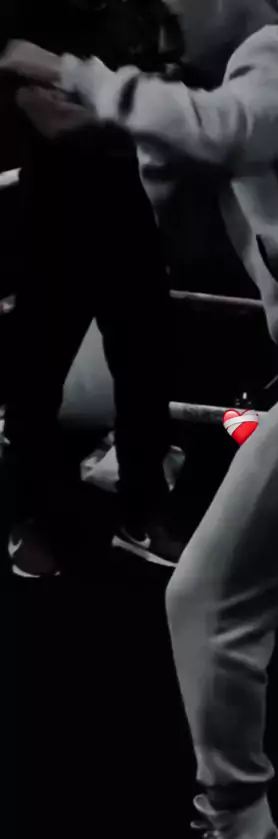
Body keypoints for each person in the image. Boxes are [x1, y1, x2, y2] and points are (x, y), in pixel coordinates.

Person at [0, 1, 278, 839]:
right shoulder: (241, 90)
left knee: (204, 597)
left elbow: (224, 130)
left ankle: (240, 827)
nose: (163, 20)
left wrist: (71, 72)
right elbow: (176, 171)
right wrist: (83, 117)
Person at [0, 3, 192, 578]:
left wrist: (123, 103)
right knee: (36, 382)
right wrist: (139, 109)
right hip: (53, 225)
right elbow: (52, 119)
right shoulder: (24, 22)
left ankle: (140, 515)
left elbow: (174, 96)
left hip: (127, 218)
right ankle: (23, 519)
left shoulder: (131, 14)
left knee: (147, 373)